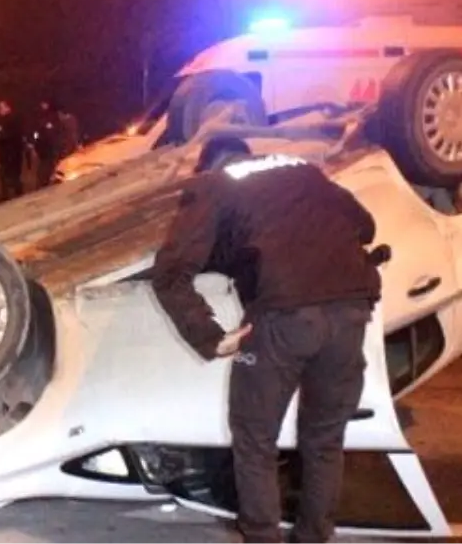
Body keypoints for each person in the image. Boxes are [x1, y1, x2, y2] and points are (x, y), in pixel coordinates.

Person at [150, 138, 384, 544]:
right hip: (350, 313)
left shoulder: (213, 185)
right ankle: (314, 537)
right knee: (325, 440)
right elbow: (366, 225)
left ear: (210, 165)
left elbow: (170, 272)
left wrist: (209, 337)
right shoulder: (304, 173)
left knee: (255, 441)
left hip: (282, 320)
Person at [0, 99, 26, 202]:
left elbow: (9, 136)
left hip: (11, 154)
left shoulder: (12, 120)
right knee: (6, 175)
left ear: (8, 108)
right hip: (6, 154)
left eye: (2, 107)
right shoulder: (3, 120)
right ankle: (8, 194)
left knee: (12, 176)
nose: (0, 110)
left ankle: (12, 195)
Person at [31, 99, 62, 187]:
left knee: (49, 166)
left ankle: (47, 183)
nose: (42, 105)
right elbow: (37, 133)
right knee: (44, 167)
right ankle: (43, 184)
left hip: (50, 147)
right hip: (43, 148)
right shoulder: (41, 117)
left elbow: (53, 132)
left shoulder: (52, 117)